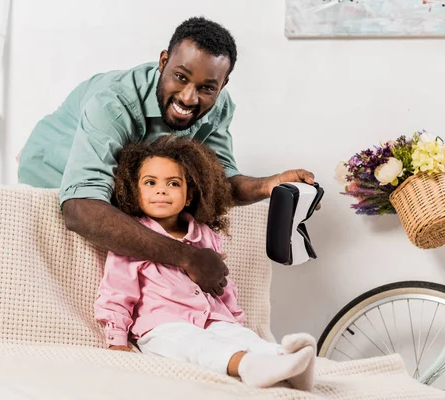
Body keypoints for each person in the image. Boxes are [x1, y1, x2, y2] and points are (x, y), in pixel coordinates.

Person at [17, 16, 316, 297]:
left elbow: (220, 182)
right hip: (51, 167)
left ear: (222, 85)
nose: (189, 98)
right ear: (163, 62)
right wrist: (186, 257)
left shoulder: (220, 107)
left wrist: (269, 184)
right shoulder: (112, 102)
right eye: (180, 77)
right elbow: (80, 208)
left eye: (206, 88)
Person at [94, 136, 317, 390]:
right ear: (136, 191)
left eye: (173, 183)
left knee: (241, 337)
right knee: (197, 346)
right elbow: (116, 293)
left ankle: (287, 359)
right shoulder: (133, 238)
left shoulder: (204, 234)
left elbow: (223, 284)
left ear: (188, 196)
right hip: (162, 328)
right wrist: (117, 341)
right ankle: (249, 366)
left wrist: (233, 320)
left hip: (213, 319)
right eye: (150, 182)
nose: (161, 190)